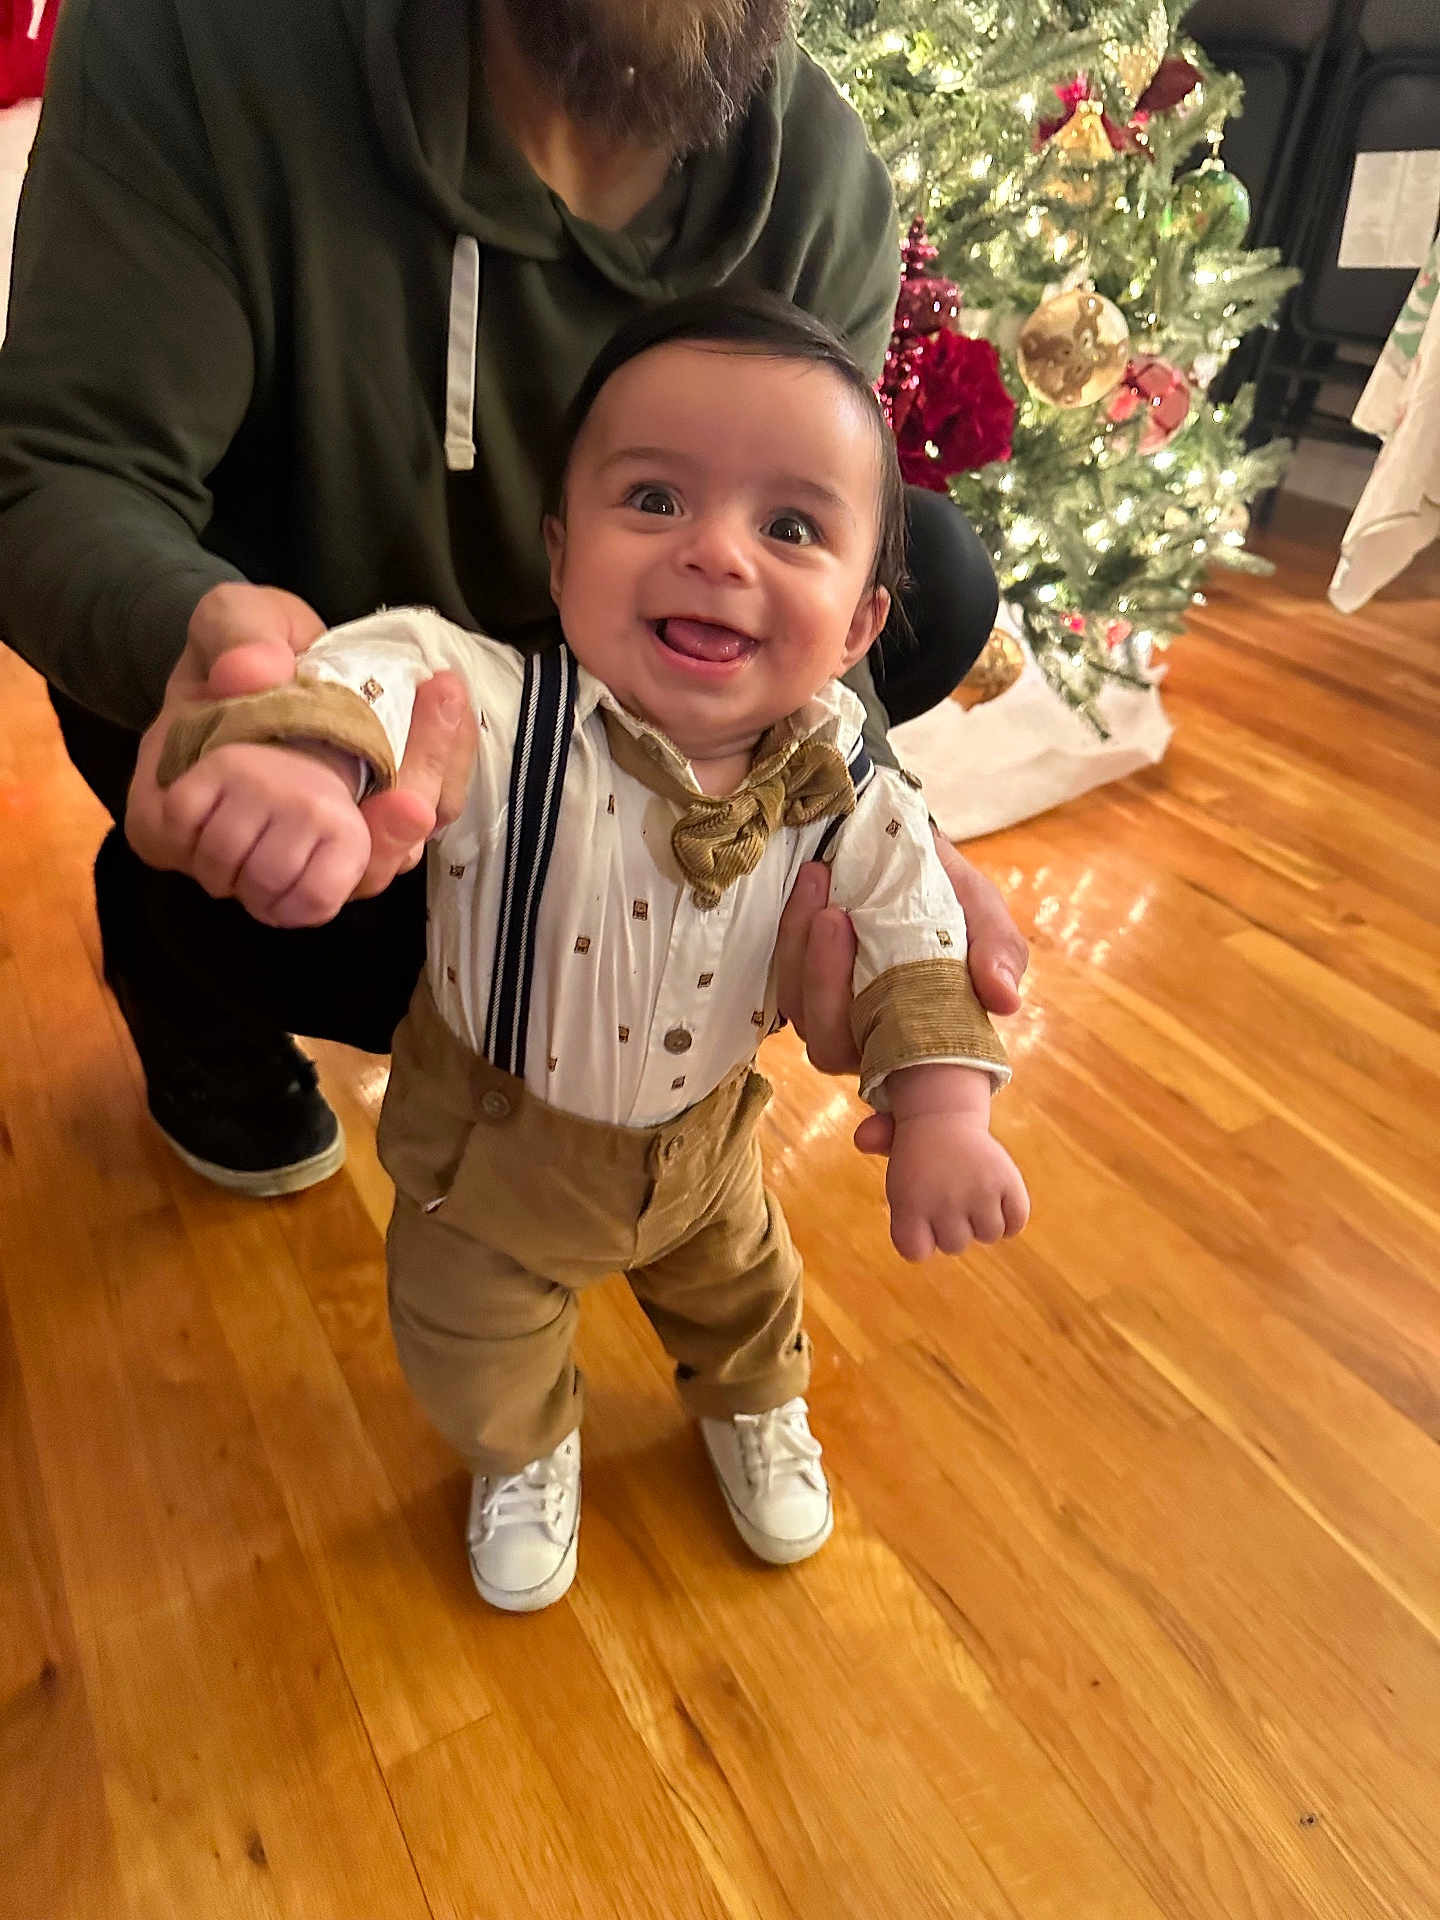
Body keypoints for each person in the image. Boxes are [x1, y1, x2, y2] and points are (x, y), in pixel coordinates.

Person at [0, 0, 1027, 1198]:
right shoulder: (198, 36)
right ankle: (182, 949)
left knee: (935, 579)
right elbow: (65, 469)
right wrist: (220, 663)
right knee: (236, 776)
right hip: (328, 722)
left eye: (775, 528)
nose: (732, 559)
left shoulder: (826, 190)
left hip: (602, 725)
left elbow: (833, 609)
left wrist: (872, 816)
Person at [156, 293, 1030, 1611]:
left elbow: (917, 924)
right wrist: (314, 752)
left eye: (790, 526)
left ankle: (753, 1404)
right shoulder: (506, 712)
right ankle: (523, 1447)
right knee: (470, 1341)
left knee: (746, 1294)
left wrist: (947, 1105)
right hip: (491, 1156)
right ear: (561, 557)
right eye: (656, 502)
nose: (718, 554)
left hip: (709, 1146)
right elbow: (394, 671)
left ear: (858, 630)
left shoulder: (848, 783)